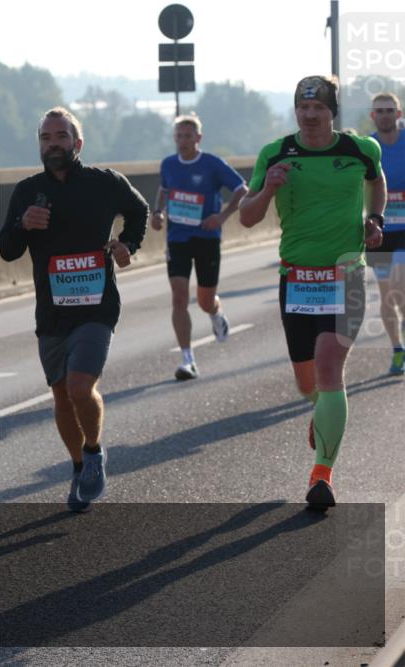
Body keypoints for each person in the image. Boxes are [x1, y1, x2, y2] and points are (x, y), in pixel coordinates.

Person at [239, 75, 385, 511]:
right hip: (298, 279)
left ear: (331, 111)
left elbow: (375, 182)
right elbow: (247, 218)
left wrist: (374, 218)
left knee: (329, 367)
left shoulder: (361, 150)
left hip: (347, 275)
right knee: (309, 384)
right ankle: (321, 411)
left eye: (318, 107)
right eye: (303, 107)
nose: (309, 115)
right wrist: (269, 188)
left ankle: (322, 474)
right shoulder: (275, 153)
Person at [0, 107, 148, 512]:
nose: (53, 144)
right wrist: (22, 225)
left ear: (77, 143)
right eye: (46, 138)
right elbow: (7, 250)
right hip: (51, 310)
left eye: (61, 136)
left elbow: (139, 212)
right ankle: (80, 465)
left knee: (81, 386)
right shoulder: (28, 191)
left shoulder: (104, 183)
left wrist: (126, 245)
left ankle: (95, 450)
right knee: (62, 395)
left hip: (97, 305)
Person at [149, 114, 249, 380]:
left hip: (207, 237)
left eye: (188, 136)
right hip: (178, 239)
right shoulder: (168, 164)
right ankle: (187, 359)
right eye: (179, 136)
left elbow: (242, 190)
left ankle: (216, 312)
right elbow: (164, 189)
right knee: (179, 297)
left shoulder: (212, 164)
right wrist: (157, 213)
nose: (183, 141)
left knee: (204, 300)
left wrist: (222, 216)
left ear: (198, 138)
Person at [367, 92, 405, 375]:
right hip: (377, 229)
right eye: (379, 111)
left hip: (404, 229)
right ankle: (397, 349)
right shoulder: (367, 147)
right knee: (386, 296)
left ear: (399, 114)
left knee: (399, 288)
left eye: (389, 110)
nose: (384, 115)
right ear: (372, 116)